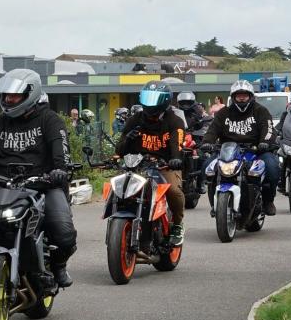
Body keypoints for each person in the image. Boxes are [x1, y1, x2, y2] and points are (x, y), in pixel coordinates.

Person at [0, 69, 78, 287]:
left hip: (43, 186)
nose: (8, 100)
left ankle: (58, 266)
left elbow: (61, 151)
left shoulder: (50, 120)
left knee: (63, 232)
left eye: (14, 96)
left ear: (30, 94)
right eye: (6, 96)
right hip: (2, 187)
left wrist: (60, 170)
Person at [116, 82, 186, 245]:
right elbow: (119, 149)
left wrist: (175, 159)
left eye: (154, 98)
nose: (150, 102)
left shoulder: (174, 121)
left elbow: (178, 144)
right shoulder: (135, 119)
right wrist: (128, 139)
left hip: (164, 166)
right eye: (147, 97)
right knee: (120, 189)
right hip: (137, 165)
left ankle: (177, 225)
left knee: (174, 191)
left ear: (165, 100)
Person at [201, 80, 279, 216]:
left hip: (256, 150)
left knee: (272, 168)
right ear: (233, 97)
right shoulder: (223, 113)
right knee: (207, 168)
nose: (242, 97)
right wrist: (207, 142)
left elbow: (268, 128)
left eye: (245, 95)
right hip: (227, 152)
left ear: (250, 96)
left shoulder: (260, 110)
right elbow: (213, 129)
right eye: (238, 95)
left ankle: (268, 201)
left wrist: (265, 142)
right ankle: (216, 205)